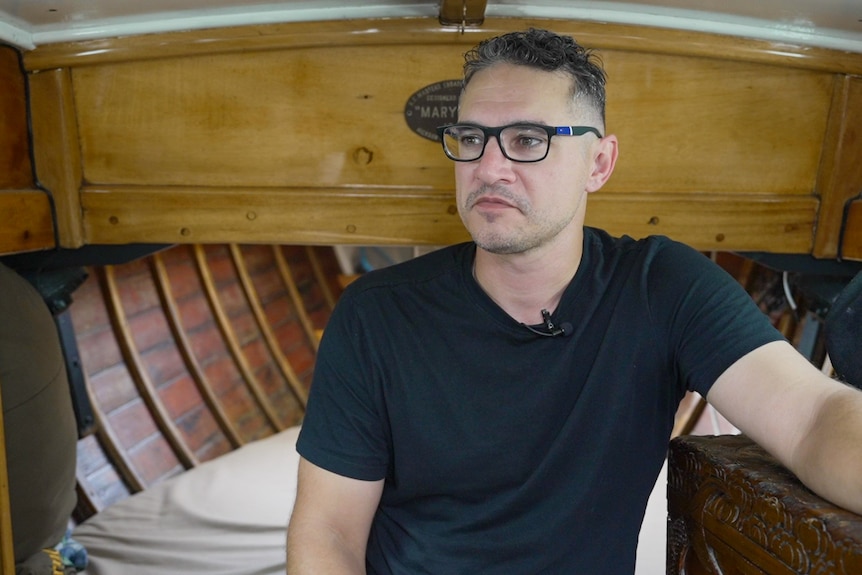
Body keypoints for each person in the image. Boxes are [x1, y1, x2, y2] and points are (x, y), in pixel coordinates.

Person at [286, 28, 862, 574]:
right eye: (471, 139)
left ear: (599, 163)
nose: (488, 168)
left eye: (528, 140)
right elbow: (328, 533)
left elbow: (811, 417)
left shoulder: (662, 287)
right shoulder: (375, 315)